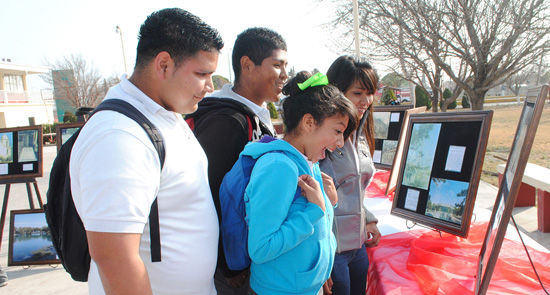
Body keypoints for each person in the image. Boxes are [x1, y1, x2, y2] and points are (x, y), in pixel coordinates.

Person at [69, 8, 223, 295]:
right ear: (163, 64)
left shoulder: (164, 114)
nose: (210, 86)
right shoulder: (119, 135)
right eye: (202, 73)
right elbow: (114, 257)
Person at [185, 27, 288, 294]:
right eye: (277, 65)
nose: (285, 75)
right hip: (233, 265)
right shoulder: (227, 122)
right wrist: (229, 265)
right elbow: (212, 197)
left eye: (286, 66)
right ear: (247, 65)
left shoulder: (254, 115)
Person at [240, 71, 359, 295]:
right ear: (309, 123)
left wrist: (322, 271)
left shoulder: (309, 161)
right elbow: (261, 248)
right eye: (337, 131)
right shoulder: (279, 167)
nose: (340, 142)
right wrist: (315, 211)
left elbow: (311, 229)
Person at [319, 55, 383, 295]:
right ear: (337, 91)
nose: (366, 101)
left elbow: (355, 189)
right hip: (333, 251)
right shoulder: (323, 137)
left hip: (357, 249)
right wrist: (320, 260)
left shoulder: (361, 134)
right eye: (357, 93)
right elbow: (315, 201)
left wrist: (369, 218)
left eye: (370, 93)